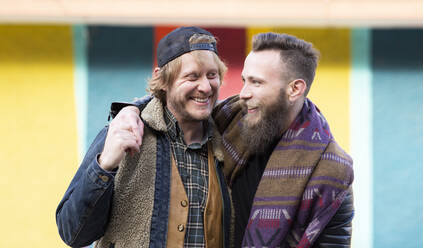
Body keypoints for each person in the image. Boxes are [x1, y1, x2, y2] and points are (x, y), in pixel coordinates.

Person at [83, 32, 355, 247]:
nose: (243, 93)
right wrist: (130, 110)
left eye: (257, 83)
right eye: (244, 80)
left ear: (295, 88)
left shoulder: (331, 173)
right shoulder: (230, 118)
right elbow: (173, 101)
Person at [56, 26, 232, 248]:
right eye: (192, 77)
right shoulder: (124, 130)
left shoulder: (228, 141)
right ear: (163, 80)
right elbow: (72, 233)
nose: (206, 87)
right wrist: (104, 166)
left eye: (212, 75)